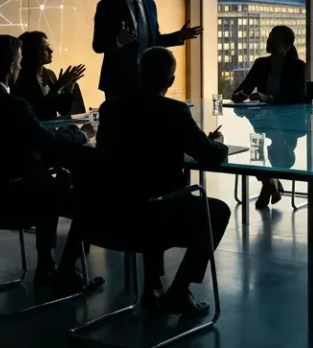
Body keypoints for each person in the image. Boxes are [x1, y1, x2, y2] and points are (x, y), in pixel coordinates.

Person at [95, 47, 232, 316]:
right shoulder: (175, 111)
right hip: (155, 217)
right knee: (216, 212)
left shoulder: (111, 108)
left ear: (139, 73)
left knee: (149, 191)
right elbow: (210, 156)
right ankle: (179, 291)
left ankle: (153, 282)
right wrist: (219, 144)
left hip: (109, 213)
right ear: (170, 81)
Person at [0, 35, 94, 289]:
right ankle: (63, 269)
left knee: (50, 180)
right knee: (84, 193)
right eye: (18, 63)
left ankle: (47, 264)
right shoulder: (14, 105)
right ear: (11, 67)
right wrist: (84, 135)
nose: (20, 68)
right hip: (14, 201)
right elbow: (47, 142)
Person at [93, 0, 202, 99]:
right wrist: (119, 40)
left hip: (148, 83)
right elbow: (98, 46)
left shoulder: (150, 5)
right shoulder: (108, 5)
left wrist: (179, 36)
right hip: (118, 84)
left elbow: (154, 41)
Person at [231, 25, 307, 208]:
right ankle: (269, 182)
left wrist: (269, 98)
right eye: (269, 38)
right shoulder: (261, 64)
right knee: (256, 153)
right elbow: (243, 88)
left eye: (274, 39)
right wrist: (238, 95)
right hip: (262, 121)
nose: (269, 42)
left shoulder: (298, 67)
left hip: (289, 122)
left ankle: (269, 182)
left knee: (267, 150)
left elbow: (298, 96)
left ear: (287, 45)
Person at [13, 30, 87, 119]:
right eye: (45, 48)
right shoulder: (20, 78)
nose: (51, 51)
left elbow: (63, 110)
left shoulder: (49, 75)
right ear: (32, 51)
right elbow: (39, 111)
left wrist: (69, 87)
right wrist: (59, 86)